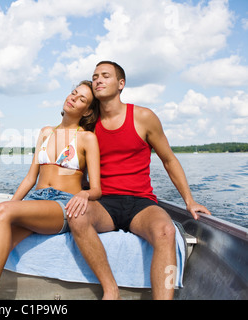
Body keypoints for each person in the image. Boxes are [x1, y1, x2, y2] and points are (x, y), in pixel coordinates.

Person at [0, 80, 101, 300]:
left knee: (5, 213)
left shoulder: (87, 138)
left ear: (87, 111)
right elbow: (30, 178)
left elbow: (96, 189)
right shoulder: (46, 132)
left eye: (81, 98)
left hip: (62, 204)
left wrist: (84, 194)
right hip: (36, 200)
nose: (73, 98)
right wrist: (6, 207)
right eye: (73, 93)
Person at [67, 61, 212, 300]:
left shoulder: (144, 117)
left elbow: (169, 160)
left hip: (141, 202)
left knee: (166, 231)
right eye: (94, 77)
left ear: (121, 84)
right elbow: (77, 169)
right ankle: (111, 290)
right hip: (105, 202)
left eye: (105, 76)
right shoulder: (88, 125)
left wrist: (189, 200)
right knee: (76, 216)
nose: (98, 80)